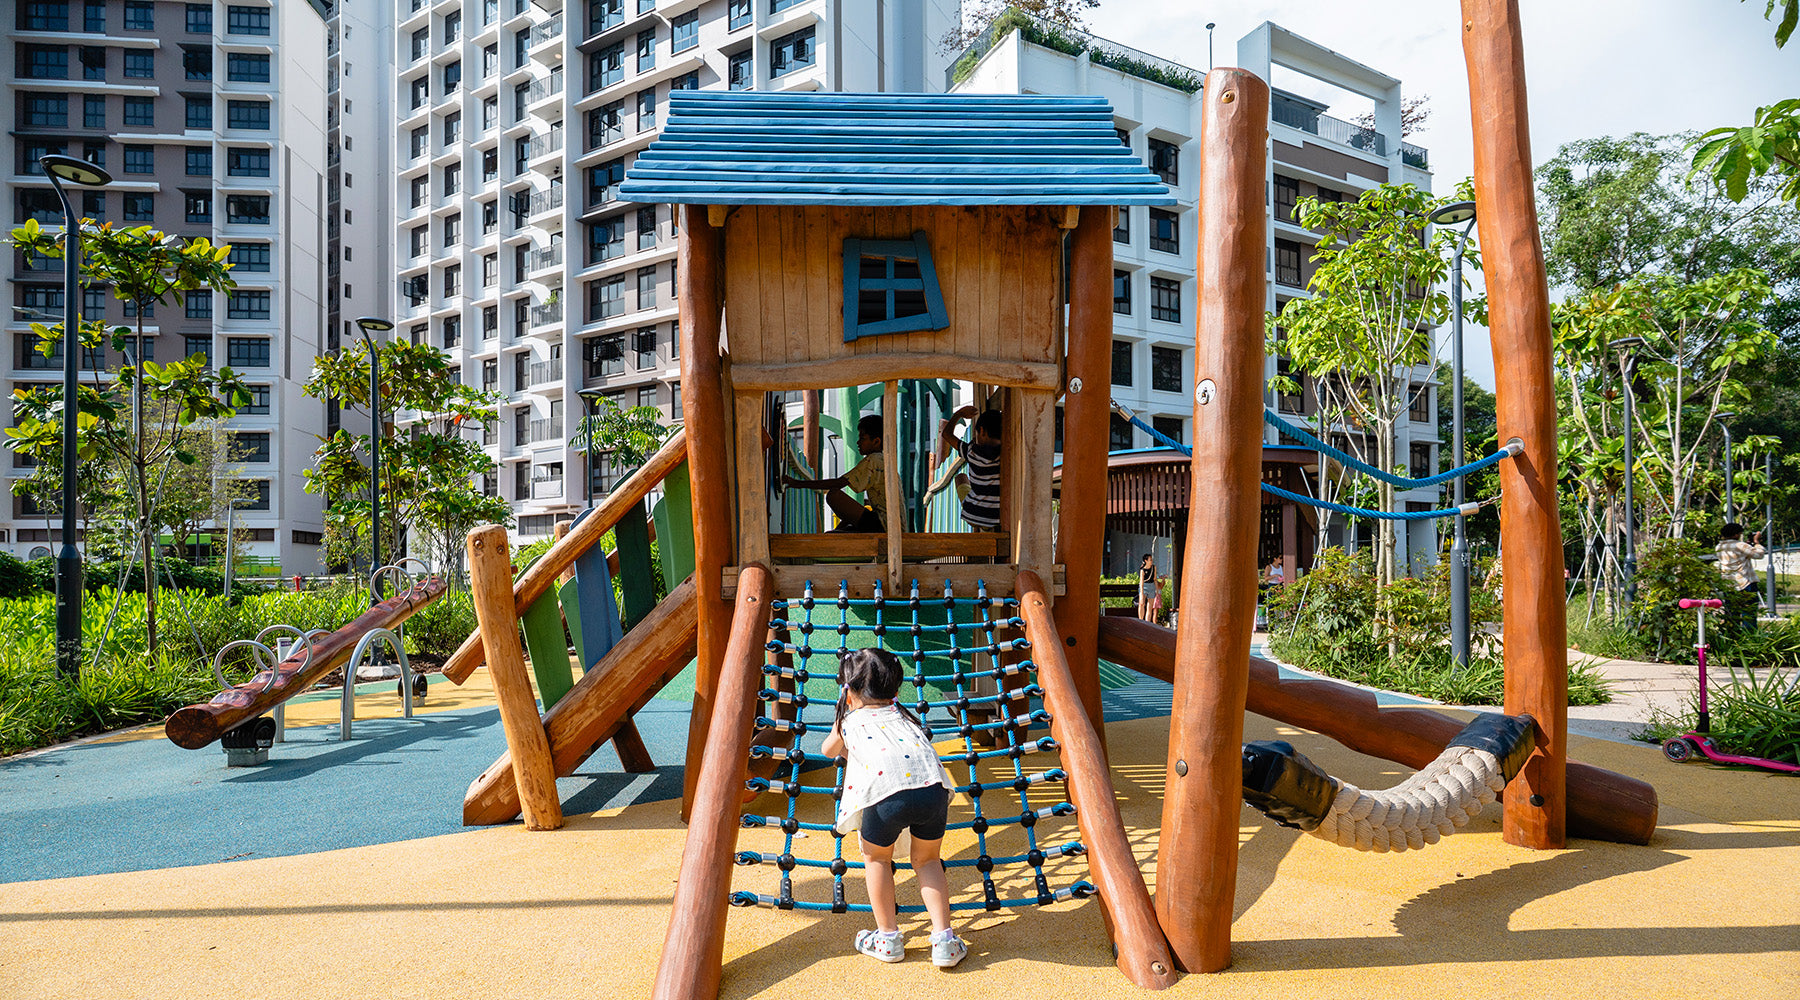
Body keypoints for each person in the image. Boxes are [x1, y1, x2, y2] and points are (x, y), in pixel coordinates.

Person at [822, 648, 967, 968]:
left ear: (849, 692)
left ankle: (888, 937)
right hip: (933, 790)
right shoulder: (904, 715)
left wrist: (843, 718)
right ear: (896, 691)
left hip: (887, 796)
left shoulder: (850, 719)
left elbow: (829, 749)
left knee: (877, 859)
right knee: (928, 860)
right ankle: (944, 940)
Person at [784, 414, 887, 533]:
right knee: (835, 532)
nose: (858, 442)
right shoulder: (883, 460)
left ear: (876, 441)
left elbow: (838, 483)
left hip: (881, 525)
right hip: (884, 523)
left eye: (862, 438)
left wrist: (797, 483)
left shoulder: (874, 460)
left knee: (834, 495)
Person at [938, 406, 1002, 531]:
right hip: (996, 516)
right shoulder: (1006, 454)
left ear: (982, 431)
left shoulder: (972, 452)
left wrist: (959, 414)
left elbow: (946, 434)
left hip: (973, 514)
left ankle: (978, 525)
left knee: (961, 478)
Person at [1716, 521, 1767, 595]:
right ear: (1736, 534)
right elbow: (1759, 555)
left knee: (1731, 605)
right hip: (1744, 582)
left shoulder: (1719, 547)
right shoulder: (1740, 545)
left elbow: (1738, 554)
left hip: (1728, 583)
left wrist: (1747, 544)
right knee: (1750, 605)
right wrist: (1756, 542)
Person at [1137, 553, 1157, 621]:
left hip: (1151, 586)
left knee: (1150, 607)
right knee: (1141, 604)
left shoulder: (1154, 567)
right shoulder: (1142, 570)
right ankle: (1141, 620)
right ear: (1146, 561)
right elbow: (1141, 583)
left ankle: (1147, 622)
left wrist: (1157, 590)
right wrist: (1141, 594)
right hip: (1144, 587)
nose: (1151, 561)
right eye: (1150, 560)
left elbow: (1155, 579)